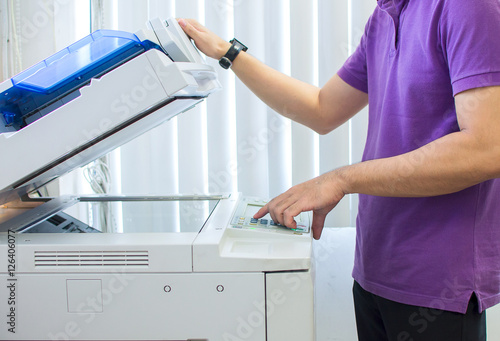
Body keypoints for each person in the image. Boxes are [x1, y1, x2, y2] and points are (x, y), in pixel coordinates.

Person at [178, 0, 500, 339]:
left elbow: (486, 148)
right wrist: (228, 53)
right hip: (375, 270)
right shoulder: (385, 16)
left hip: (437, 286)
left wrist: (341, 179)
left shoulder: (467, 6)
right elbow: (322, 108)